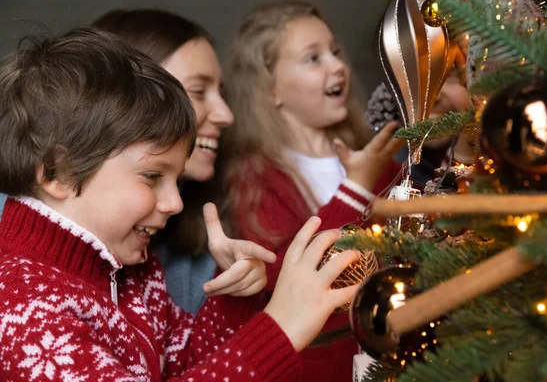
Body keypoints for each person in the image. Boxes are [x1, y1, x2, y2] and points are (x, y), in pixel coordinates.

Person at [0, 28, 360, 381]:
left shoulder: (132, 271)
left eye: (175, 179)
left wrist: (232, 300)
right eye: (153, 176)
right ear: (57, 173)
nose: (174, 203)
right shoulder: (23, 306)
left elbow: (186, 364)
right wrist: (280, 328)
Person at [210, 0, 406, 381]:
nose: (337, 66)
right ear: (270, 90)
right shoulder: (256, 176)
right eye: (312, 58)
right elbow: (284, 273)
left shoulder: (373, 155)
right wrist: (356, 188)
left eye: (334, 51)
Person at [92, 9, 264, 314]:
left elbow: (193, 358)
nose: (226, 115)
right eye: (198, 91)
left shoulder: (195, 227)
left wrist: (233, 293)